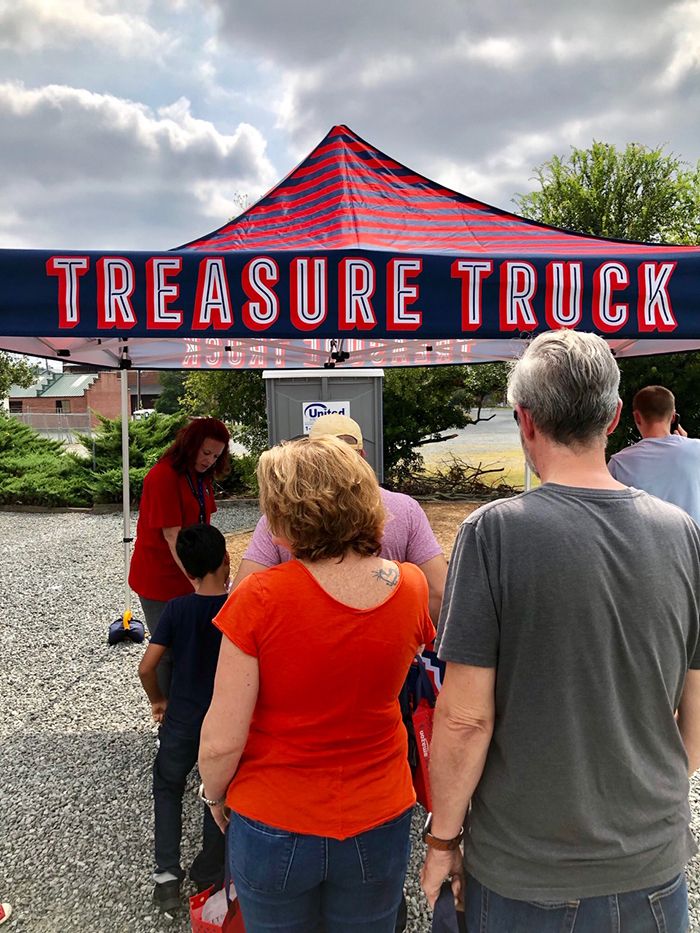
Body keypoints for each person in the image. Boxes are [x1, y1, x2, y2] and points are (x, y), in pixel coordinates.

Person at [421, 331, 700, 932]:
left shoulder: (492, 535)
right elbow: (696, 700)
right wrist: (657, 799)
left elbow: (466, 718)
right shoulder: (682, 532)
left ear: (524, 420)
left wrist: (442, 839)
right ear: (614, 416)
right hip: (654, 864)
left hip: (528, 871)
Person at [198, 435, 435, 932]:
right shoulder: (410, 587)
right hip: (379, 811)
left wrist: (215, 797)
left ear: (283, 520)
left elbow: (222, 740)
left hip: (273, 816)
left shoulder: (258, 598)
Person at [233, 413, 447, 624]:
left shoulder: (281, 516)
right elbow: (439, 592)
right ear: (362, 456)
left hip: (303, 642)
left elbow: (240, 600)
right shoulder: (405, 509)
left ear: (308, 459)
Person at [138, 524, 230, 913]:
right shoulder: (237, 607)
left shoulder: (176, 609)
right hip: (223, 721)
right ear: (227, 561)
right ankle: (211, 871)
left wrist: (159, 700)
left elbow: (147, 666)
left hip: (182, 719)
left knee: (168, 787)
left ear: (187, 572)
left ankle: (167, 877)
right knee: (217, 790)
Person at [129, 417, 230, 694]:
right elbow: (172, 536)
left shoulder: (200, 477)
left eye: (216, 455)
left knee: (193, 644)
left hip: (193, 573)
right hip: (160, 577)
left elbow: (203, 525)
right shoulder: (162, 476)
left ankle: (191, 705)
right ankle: (164, 714)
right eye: (206, 452)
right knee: (167, 648)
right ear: (191, 445)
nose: (210, 460)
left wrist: (216, 568)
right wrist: (198, 580)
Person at [608, 384, 700, 524]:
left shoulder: (619, 463)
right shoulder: (696, 450)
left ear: (637, 417)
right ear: (674, 417)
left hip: (646, 544)